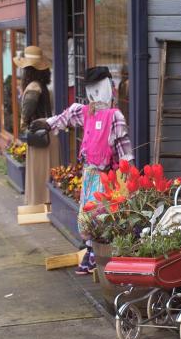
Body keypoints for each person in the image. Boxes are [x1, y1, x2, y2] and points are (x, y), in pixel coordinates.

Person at [30, 66, 134, 274]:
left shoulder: (115, 117)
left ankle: (98, 252)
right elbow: (65, 117)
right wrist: (48, 124)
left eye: (98, 89)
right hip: (90, 173)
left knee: (101, 214)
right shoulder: (85, 112)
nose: (94, 95)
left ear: (108, 88)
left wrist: (127, 174)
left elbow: (124, 148)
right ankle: (90, 249)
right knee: (85, 215)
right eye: (90, 90)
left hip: (108, 175)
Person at [13, 46, 60, 206]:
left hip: (39, 135)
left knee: (39, 172)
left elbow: (25, 116)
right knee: (48, 170)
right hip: (49, 133)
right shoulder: (43, 86)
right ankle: (48, 202)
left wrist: (23, 128)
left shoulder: (33, 87)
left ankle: (39, 203)